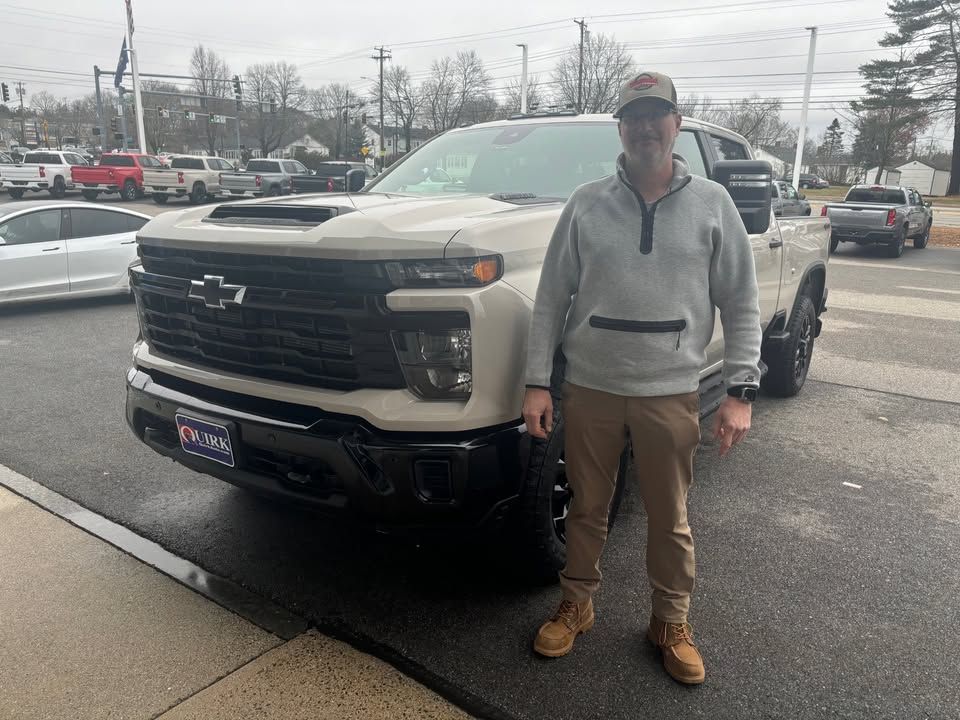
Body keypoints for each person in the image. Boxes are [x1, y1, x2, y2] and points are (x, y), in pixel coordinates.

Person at [522, 71, 762, 685]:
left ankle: (669, 622)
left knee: (669, 516)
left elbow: (740, 301)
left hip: (669, 392)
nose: (644, 127)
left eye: (656, 114)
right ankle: (577, 604)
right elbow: (551, 298)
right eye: (633, 117)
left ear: (676, 123)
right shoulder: (585, 203)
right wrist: (536, 382)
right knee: (586, 507)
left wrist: (740, 391)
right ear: (621, 129)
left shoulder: (713, 203)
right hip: (592, 388)